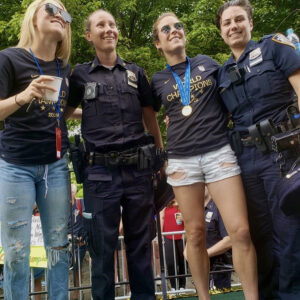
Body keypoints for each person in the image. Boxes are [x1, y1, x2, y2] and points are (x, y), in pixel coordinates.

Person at [151, 12, 258, 300]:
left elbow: (231, 97)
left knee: (240, 231)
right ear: (158, 43)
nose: (174, 30)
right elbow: (147, 116)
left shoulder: (209, 64)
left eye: (178, 26)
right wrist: (161, 153)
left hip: (219, 154)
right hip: (182, 161)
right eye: (166, 29)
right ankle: (203, 297)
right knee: (195, 234)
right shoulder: (156, 80)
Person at [65, 9, 163, 300]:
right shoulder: (79, 75)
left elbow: (150, 118)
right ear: (88, 35)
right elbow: (65, 112)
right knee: (101, 251)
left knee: (141, 248)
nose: (108, 29)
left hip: (138, 173)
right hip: (99, 175)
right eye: (100, 25)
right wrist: (87, 113)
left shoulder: (136, 73)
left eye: (112, 25)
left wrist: (161, 158)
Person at [216, 1, 300, 299]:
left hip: (284, 152)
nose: (233, 26)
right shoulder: (221, 73)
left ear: (250, 22)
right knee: (259, 235)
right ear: (221, 31)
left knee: (289, 232)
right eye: (227, 23)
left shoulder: (275, 47)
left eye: (239, 19)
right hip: (245, 160)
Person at [0, 0, 72, 299]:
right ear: (33, 18)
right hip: (15, 165)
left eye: (64, 14)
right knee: (17, 251)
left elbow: (62, 110)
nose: (60, 16)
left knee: (59, 247)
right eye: (51, 9)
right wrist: (24, 95)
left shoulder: (65, 68)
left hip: (55, 166)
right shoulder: (9, 59)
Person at [160, 199, 186, 292]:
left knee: (183, 261)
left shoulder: (184, 202)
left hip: (182, 235)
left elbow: (190, 218)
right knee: (170, 262)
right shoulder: (165, 203)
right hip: (168, 236)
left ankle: (182, 285)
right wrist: (160, 234)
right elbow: (161, 217)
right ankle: (173, 286)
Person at [68, 184, 87, 300]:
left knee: (77, 267)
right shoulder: (62, 206)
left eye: (70, 191)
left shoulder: (80, 203)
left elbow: (86, 220)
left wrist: (83, 238)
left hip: (79, 242)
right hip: (66, 242)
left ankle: (78, 291)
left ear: (74, 193)